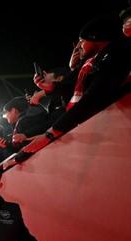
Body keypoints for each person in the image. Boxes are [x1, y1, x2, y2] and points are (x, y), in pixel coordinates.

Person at [23, 15, 130, 155]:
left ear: (96, 38)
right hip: (94, 125)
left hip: (115, 130)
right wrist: (51, 88)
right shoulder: (89, 61)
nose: (79, 46)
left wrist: (50, 134)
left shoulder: (118, 55)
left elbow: (92, 97)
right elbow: (73, 86)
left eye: (82, 40)